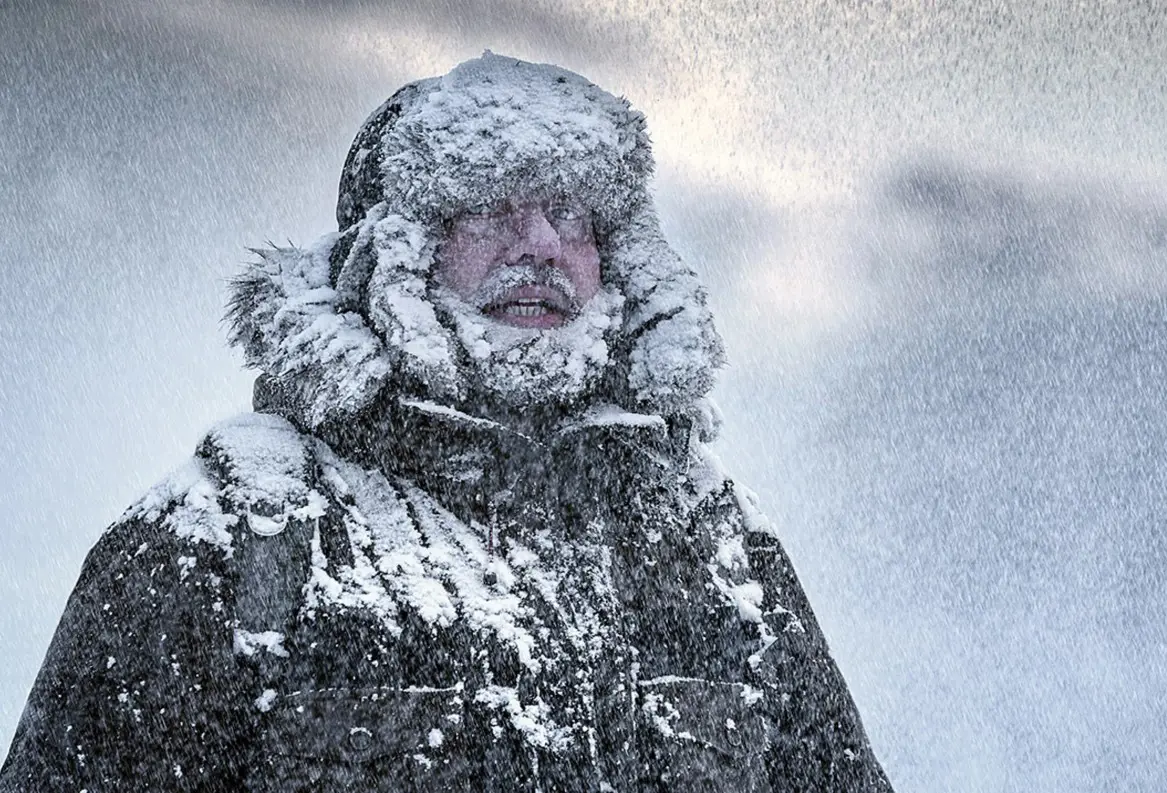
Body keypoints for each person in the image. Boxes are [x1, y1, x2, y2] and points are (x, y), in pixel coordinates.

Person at [0, 53, 893, 792]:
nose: (540, 242)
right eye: (487, 205)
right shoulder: (231, 535)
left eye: (570, 212)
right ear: (396, 253)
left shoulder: (715, 544)